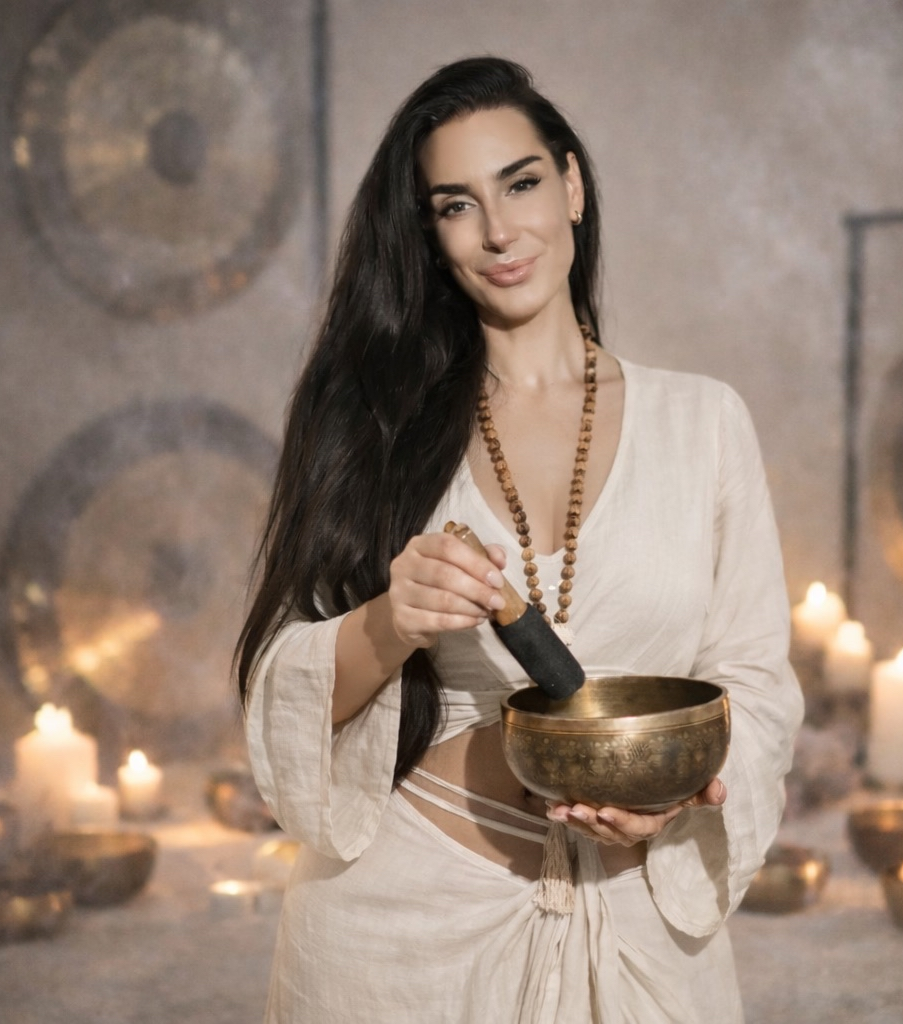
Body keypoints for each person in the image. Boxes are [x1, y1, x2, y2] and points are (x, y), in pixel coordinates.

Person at [237, 56, 803, 1023]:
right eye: (456, 205)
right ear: (429, 235)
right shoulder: (372, 423)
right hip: (398, 935)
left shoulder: (704, 423)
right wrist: (392, 620)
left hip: (637, 922)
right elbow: (281, 697)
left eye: (522, 183)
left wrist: (665, 802)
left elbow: (754, 684)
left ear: (572, 187)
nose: (499, 231)